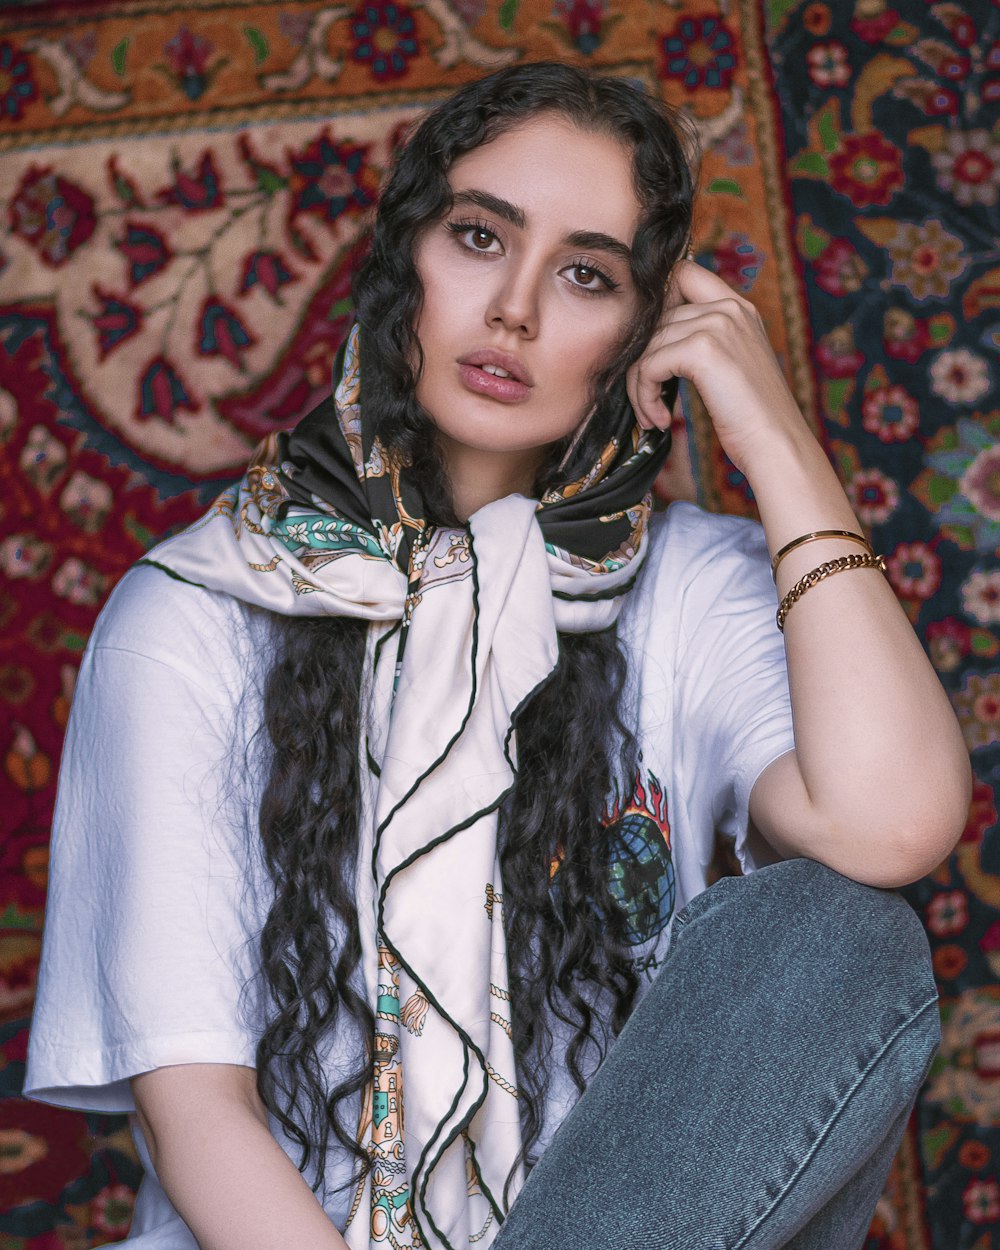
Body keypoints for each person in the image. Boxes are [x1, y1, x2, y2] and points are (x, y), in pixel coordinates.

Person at [25, 62, 970, 1250]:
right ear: (400, 260)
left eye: (586, 274)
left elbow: (891, 822)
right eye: (479, 237)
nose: (515, 309)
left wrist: (771, 431)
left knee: (839, 930)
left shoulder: (693, 585)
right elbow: (196, 1114)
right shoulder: (193, 615)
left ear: (642, 328)